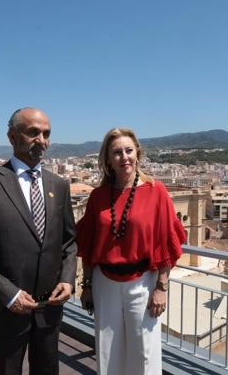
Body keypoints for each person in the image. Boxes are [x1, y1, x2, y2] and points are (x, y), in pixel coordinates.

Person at [0, 107, 77, 375]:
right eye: (32, 132)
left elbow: (68, 242)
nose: (41, 140)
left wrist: (68, 280)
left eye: (46, 133)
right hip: (5, 312)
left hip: (49, 309)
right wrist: (9, 295)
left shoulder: (59, 185)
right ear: (12, 137)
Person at [75, 127, 186, 375]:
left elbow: (166, 241)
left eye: (128, 150)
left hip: (143, 282)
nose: (124, 157)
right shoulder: (98, 196)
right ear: (108, 159)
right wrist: (88, 285)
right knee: (107, 351)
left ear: (137, 153)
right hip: (105, 283)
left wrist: (161, 287)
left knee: (144, 353)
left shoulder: (156, 191)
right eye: (117, 152)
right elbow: (90, 245)